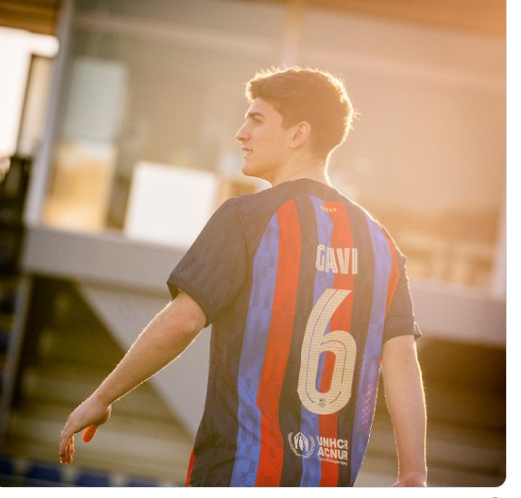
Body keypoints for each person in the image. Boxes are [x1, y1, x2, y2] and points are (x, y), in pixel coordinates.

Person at [59, 67, 427, 487]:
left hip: (238, 475)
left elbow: (183, 321)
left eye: (256, 119)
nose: (241, 133)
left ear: (298, 134)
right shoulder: (381, 244)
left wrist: (102, 397)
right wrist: (413, 474)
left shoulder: (248, 218)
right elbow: (401, 360)